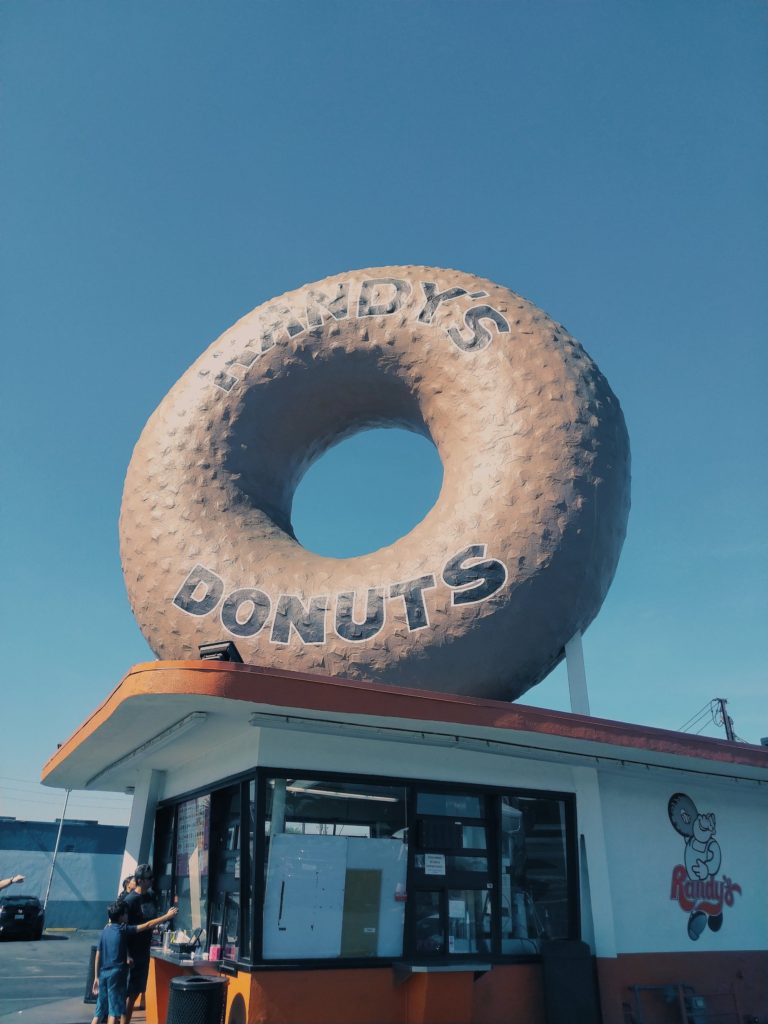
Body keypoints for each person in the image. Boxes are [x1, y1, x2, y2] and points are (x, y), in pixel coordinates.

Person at [90, 898, 177, 1024]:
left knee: (99, 1012)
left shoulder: (106, 930)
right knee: (114, 1012)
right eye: (126, 914)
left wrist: (96, 977)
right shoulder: (123, 930)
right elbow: (148, 925)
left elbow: (98, 953)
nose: (127, 916)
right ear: (120, 917)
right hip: (117, 975)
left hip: (103, 974)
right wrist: (167, 916)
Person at [123, 864, 159, 1024]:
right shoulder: (130, 901)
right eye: (148, 878)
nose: (152, 881)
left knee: (136, 991)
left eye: (152, 877)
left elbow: (152, 919)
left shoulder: (151, 897)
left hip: (144, 950)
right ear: (139, 880)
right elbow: (121, 930)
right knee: (129, 993)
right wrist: (126, 954)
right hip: (132, 951)